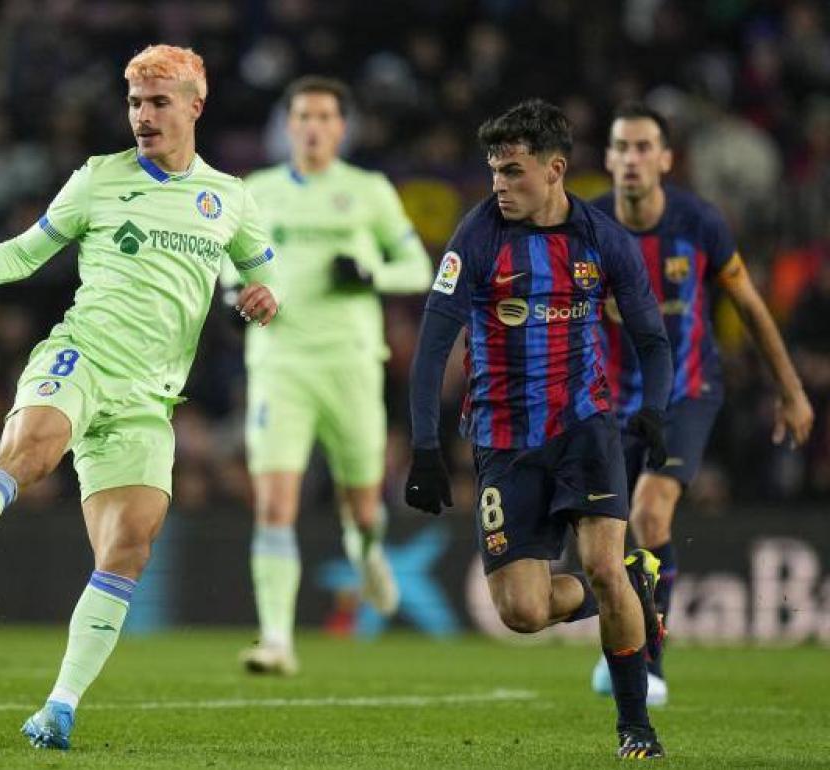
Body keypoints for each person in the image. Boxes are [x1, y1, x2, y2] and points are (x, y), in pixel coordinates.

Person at [0, 44, 279, 751]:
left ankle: (59, 707)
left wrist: (259, 296)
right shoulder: (99, 179)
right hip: (83, 358)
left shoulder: (231, 198)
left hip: (149, 400)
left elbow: (257, 280)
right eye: (135, 102)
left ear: (195, 105)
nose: (143, 115)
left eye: (158, 102)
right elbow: (26, 250)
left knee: (127, 550)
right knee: (33, 451)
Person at [404, 99, 672, 760]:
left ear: (555, 171)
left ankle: (635, 725)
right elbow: (432, 346)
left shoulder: (601, 238)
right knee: (522, 613)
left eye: (513, 171)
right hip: (503, 442)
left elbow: (652, 340)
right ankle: (634, 588)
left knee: (603, 565)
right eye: (494, 169)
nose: (499, 184)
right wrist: (425, 446)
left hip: (585, 429)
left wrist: (656, 410)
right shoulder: (475, 238)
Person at [589, 102, 816, 704]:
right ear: (608, 158)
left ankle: (650, 665)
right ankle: (622, 637)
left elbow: (749, 304)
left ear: (665, 159)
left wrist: (790, 390)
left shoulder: (699, 222)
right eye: (622, 148)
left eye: (644, 148)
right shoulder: (587, 227)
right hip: (608, 401)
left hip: (685, 392)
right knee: (600, 536)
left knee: (651, 515)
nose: (633, 159)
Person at [222, 76, 432, 675]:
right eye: (303, 116)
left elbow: (417, 266)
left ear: (342, 127)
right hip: (280, 363)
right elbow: (226, 270)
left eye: (325, 117)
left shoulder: (368, 191)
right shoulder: (255, 192)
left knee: (362, 507)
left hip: (351, 364)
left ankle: (369, 553)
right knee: (273, 505)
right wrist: (237, 296)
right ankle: (277, 641)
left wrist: (371, 275)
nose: (313, 127)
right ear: (288, 126)